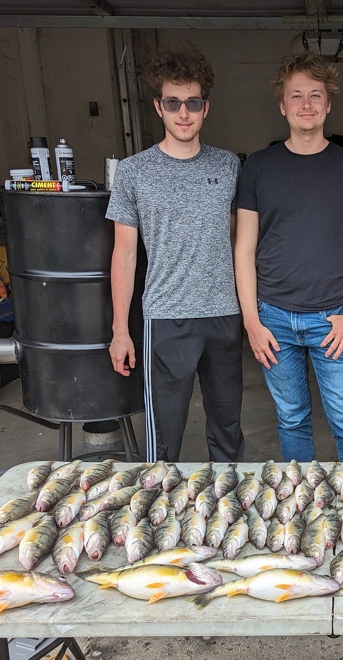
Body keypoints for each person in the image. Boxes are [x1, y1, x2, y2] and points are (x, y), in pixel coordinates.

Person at [234, 52, 343, 463]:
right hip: (273, 318)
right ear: (282, 106)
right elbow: (243, 249)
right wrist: (252, 322)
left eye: (315, 95)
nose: (306, 104)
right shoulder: (258, 167)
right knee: (292, 419)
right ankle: (301, 497)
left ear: (328, 104)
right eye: (296, 95)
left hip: (333, 318)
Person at [106, 46, 244, 463]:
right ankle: (161, 498)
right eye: (173, 103)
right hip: (167, 318)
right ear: (158, 107)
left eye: (193, 103)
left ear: (206, 107)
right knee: (164, 437)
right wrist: (120, 330)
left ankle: (227, 498)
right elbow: (124, 254)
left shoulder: (229, 166)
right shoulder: (133, 171)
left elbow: (239, 243)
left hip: (224, 315)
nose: (184, 113)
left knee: (228, 430)